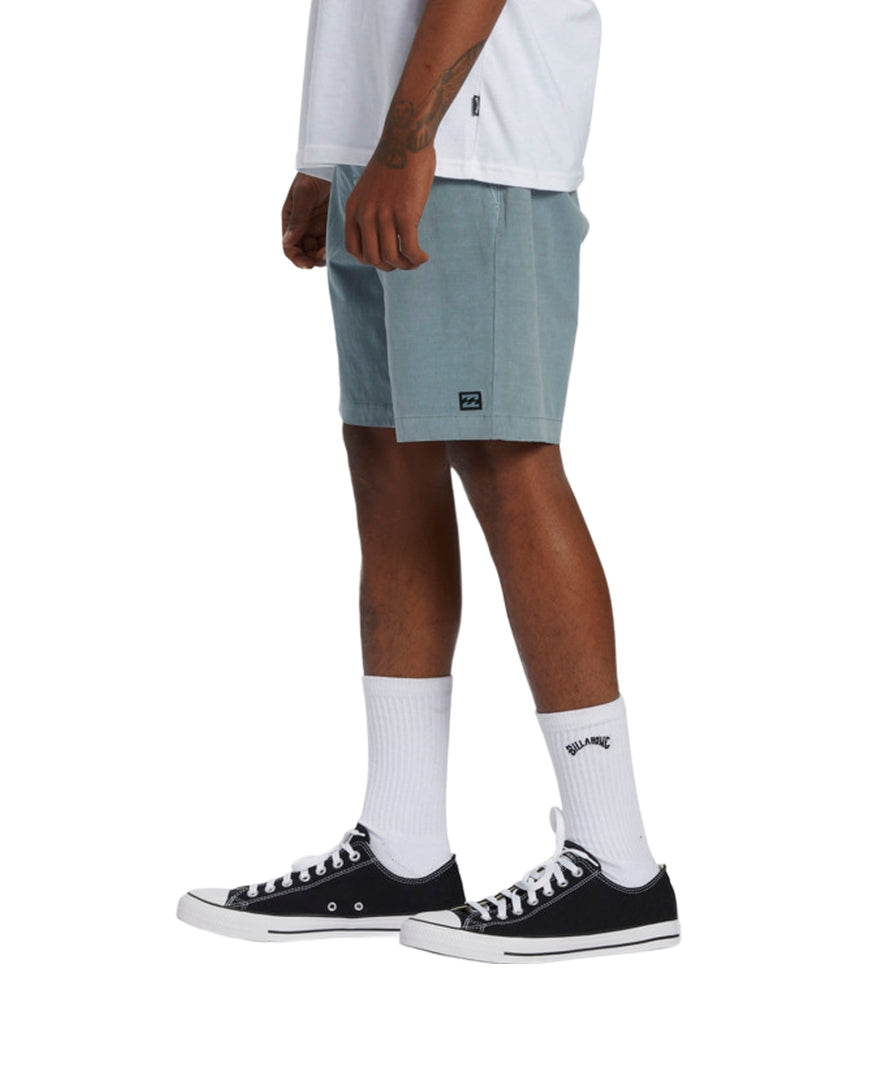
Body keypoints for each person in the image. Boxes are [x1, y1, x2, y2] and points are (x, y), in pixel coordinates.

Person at [177, 0, 679, 963]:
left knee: (505, 459)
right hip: (388, 149)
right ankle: (402, 850)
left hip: (469, 149)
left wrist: (407, 144)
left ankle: (618, 861)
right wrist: (332, 154)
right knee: (387, 462)